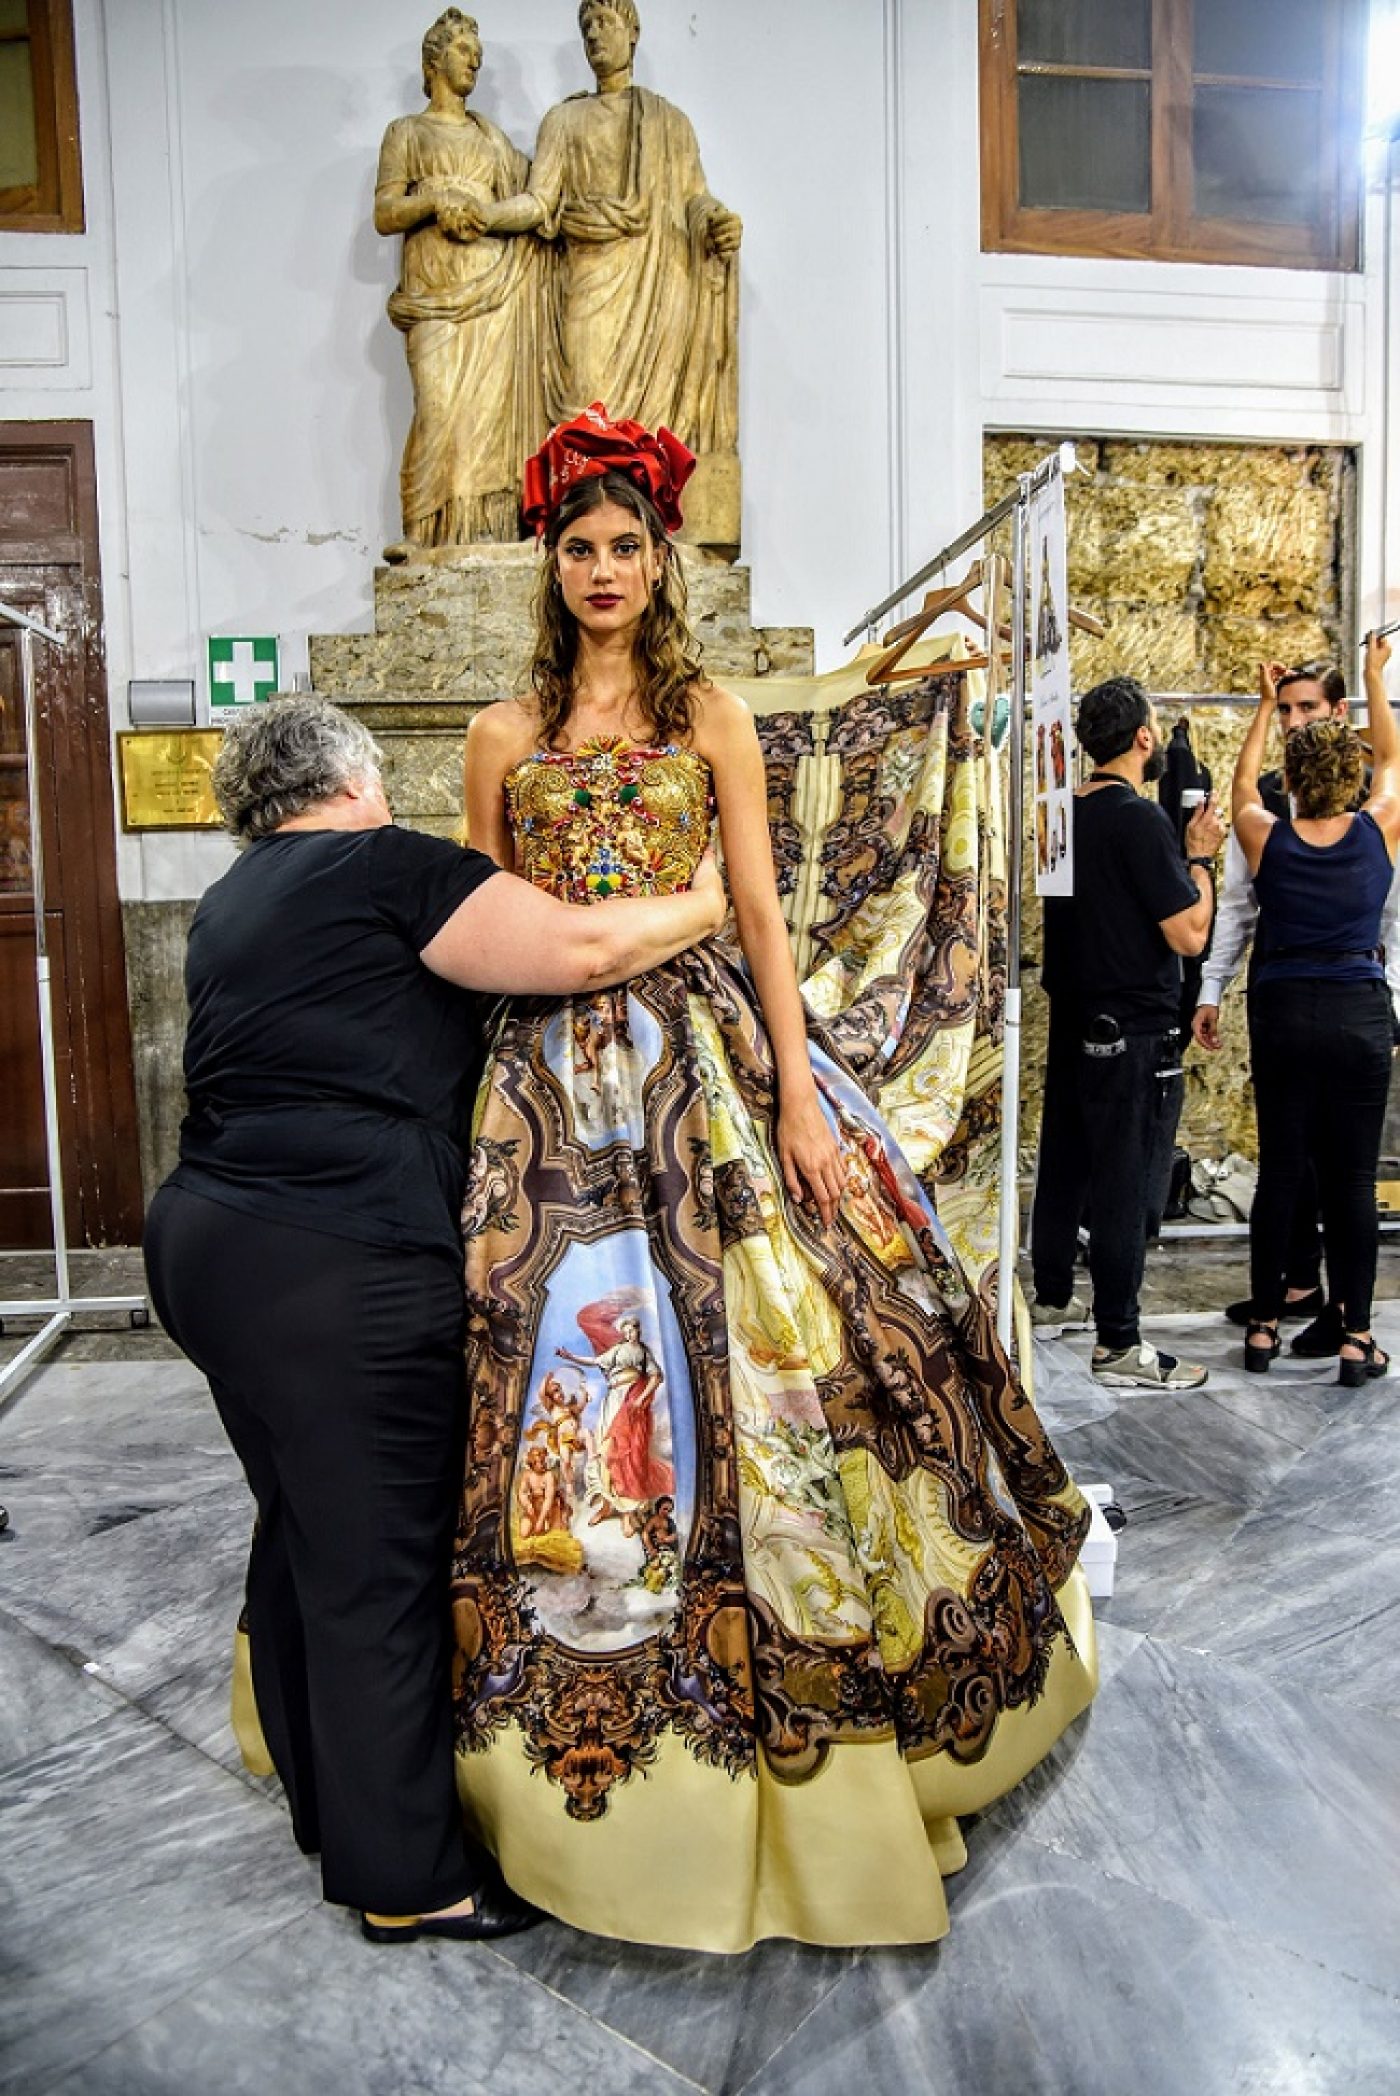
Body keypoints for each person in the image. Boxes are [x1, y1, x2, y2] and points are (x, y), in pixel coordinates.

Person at [450, 406, 1098, 1953]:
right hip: (543, 1085)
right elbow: (477, 930)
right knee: (550, 1366)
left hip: (713, 1075)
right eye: (578, 547)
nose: (603, 569)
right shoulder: (498, 735)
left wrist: (804, 1101)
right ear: (549, 564)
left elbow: (756, 913)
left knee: (794, 1340)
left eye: (626, 545)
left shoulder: (714, 718)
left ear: (663, 557)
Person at [142, 695, 725, 1945]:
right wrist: (703, 903)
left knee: (300, 1528)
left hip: (207, 1246)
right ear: (358, 777)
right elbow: (571, 951)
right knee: (377, 1571)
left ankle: (324, 1797)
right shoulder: (384, 866)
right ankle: (408, 1877)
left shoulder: (233, 903)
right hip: (332, 1260)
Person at [1194, 660, 1400, 1357]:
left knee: (1281, 1170)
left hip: (1283, 1010)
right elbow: (1395, 756)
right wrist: (1375, 675)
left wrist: (1259, 708)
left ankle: (1262, 1329)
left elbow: (1242, 784)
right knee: (1352, 1181)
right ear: (1352, 776)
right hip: (1358, 1010)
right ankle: (1358, 1337)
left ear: (1297, 777)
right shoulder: (1378, 831)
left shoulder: (1265, 837)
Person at [1031, 676, 1227, 1388]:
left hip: (1076, 1022)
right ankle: (1119, 1341)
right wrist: (1198, 856)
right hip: (1133, 1033)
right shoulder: (1138, 821)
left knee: (1069, 1162)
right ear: (1144, 737)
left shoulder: (1059, 816)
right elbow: (1188, 932)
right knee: (1125, 1182)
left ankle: (1051, 1290)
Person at [374, 9, 544, 549]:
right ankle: (424, 537)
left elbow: (535, 202)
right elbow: (385, 213)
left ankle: (487, 535)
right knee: (439, 405)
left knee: (488, 420)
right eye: (463, 49)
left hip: (495, 288)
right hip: (433, 292)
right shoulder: (407, 132)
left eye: (478, 53)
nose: (474, 59)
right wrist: (435, 199)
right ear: (433, 60)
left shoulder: (494, 141)